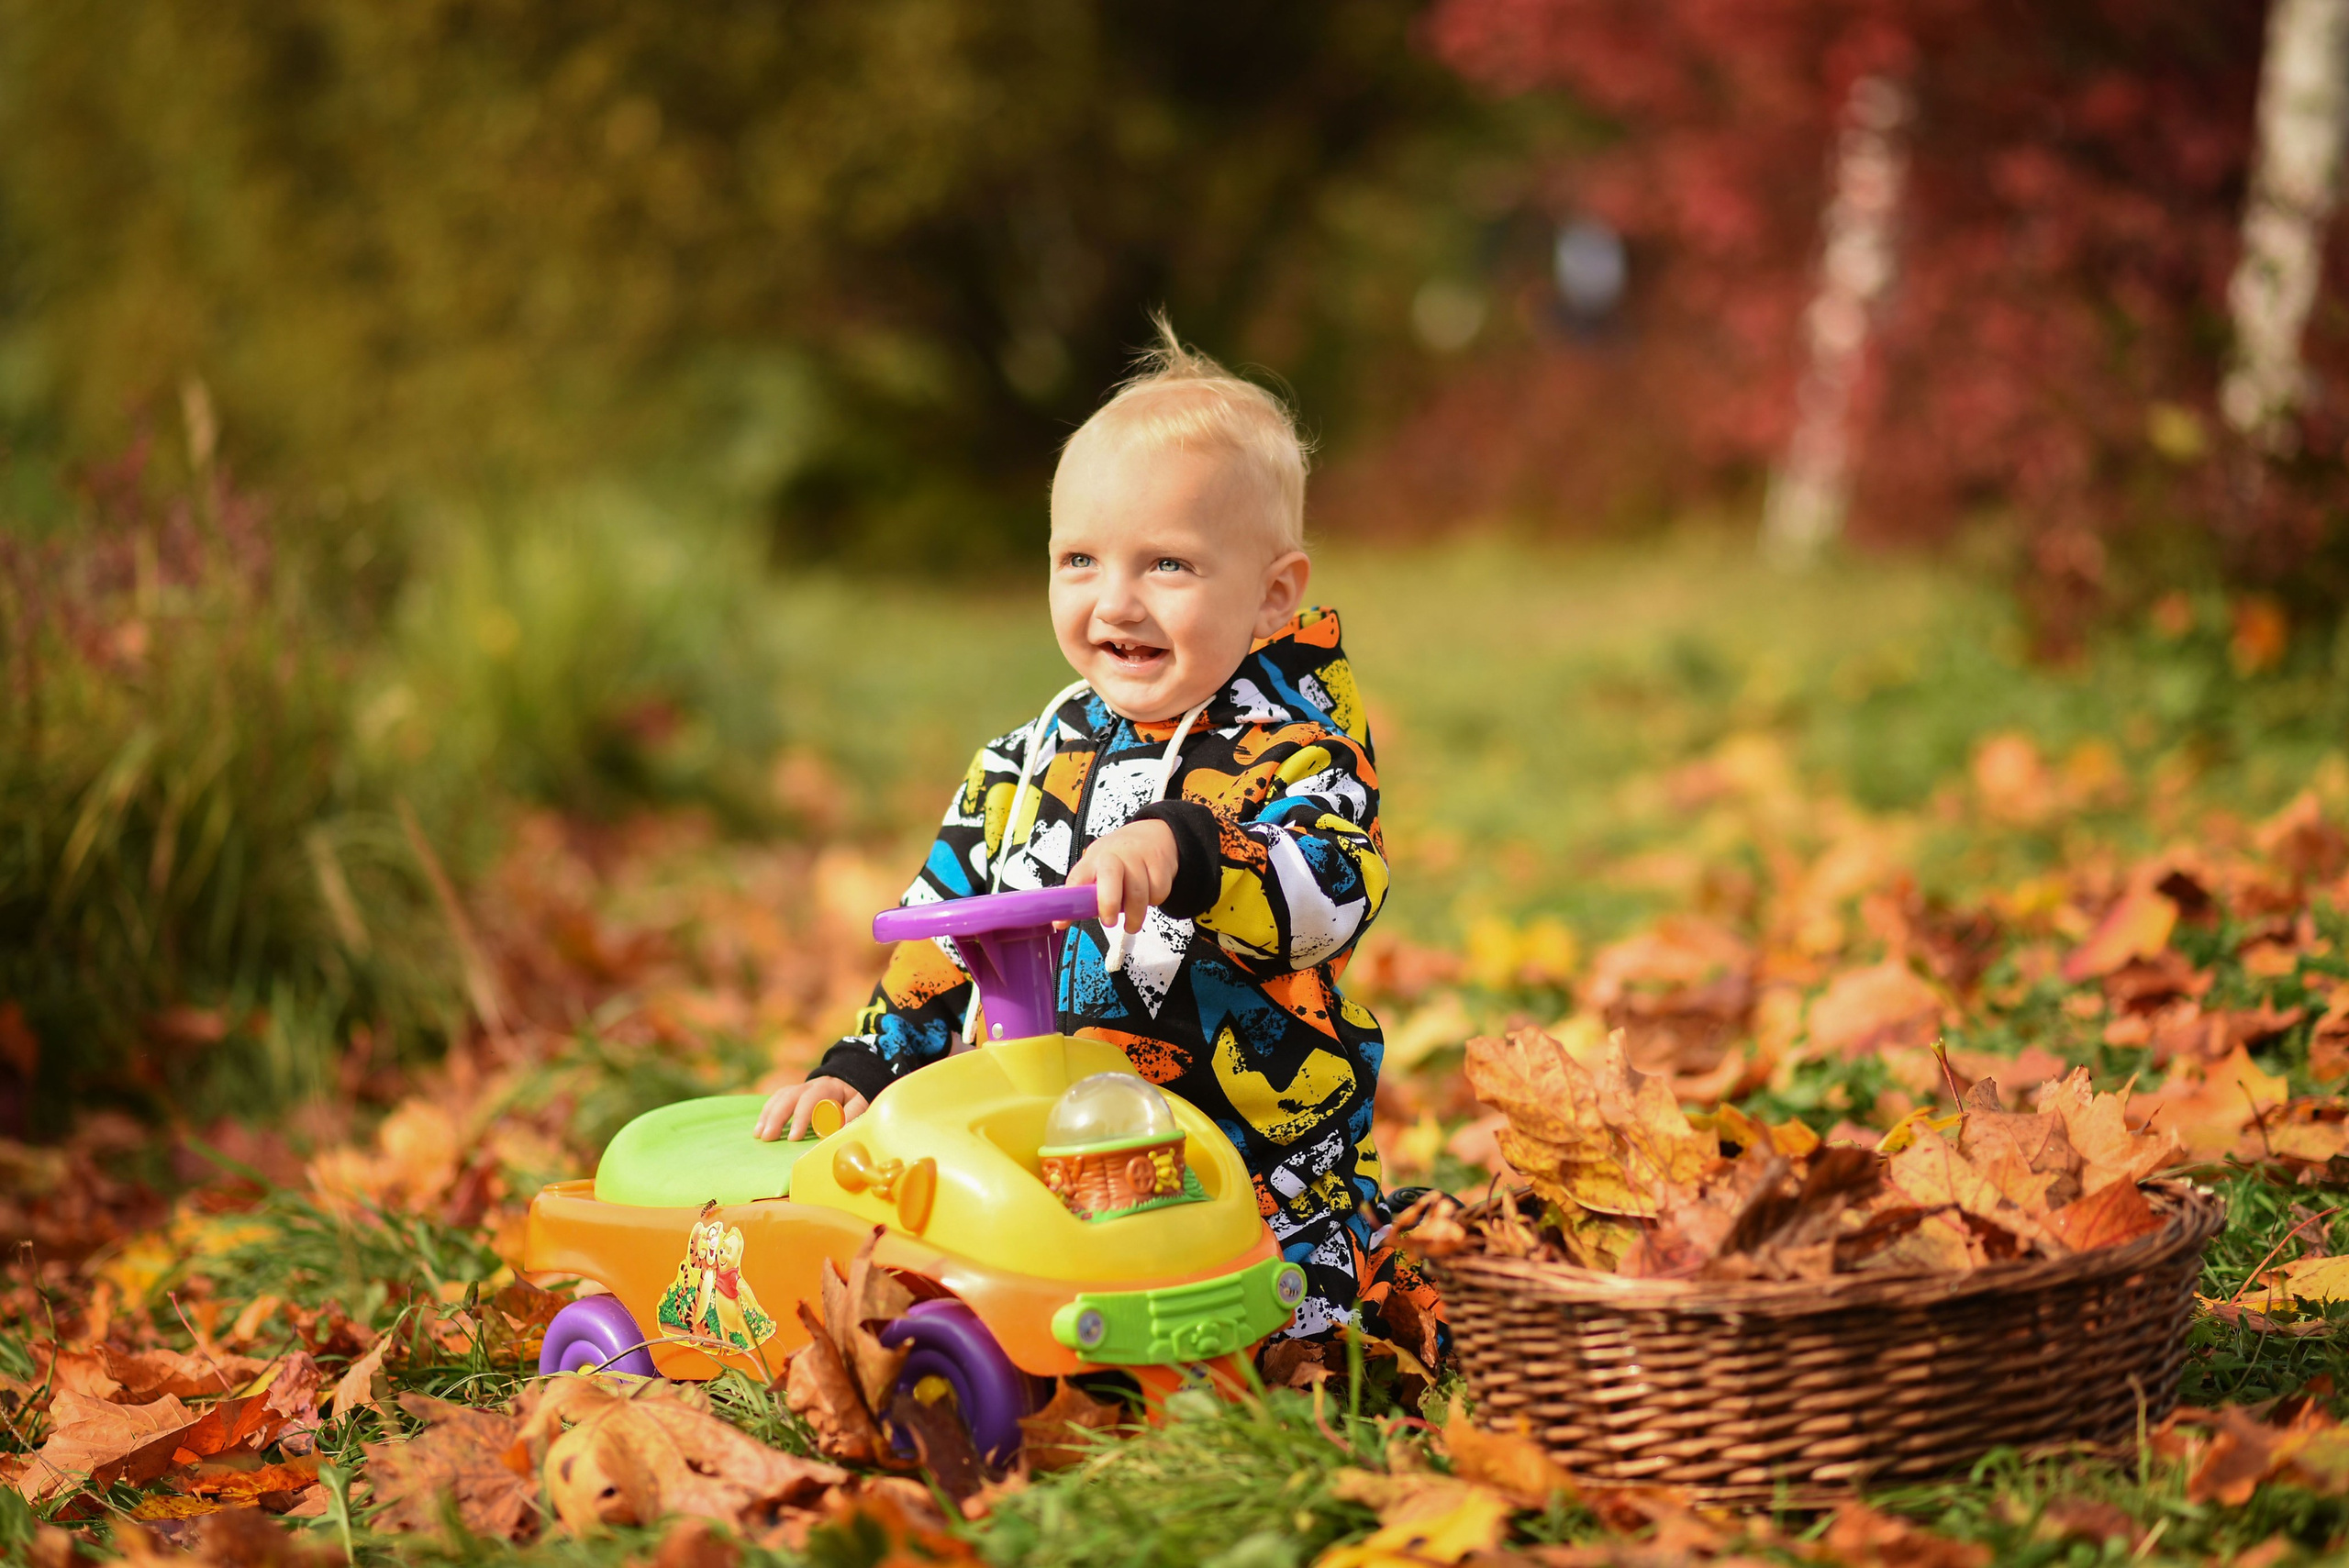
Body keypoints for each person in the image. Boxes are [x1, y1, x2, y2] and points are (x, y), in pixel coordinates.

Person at [753, 315, 1442, 1349]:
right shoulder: (1023, 761)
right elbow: (950, 925)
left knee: (1295, 1318)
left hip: (1251, 1159)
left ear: (1271, 595)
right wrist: (867, 1062)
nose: (1113, 600)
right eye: (1078, 558)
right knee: (978, 1268)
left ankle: (1326, 1306)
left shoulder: (1298, 752)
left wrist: (1190, 850)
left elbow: (1330, 894)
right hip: (1055, 1157)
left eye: (1166, 564)